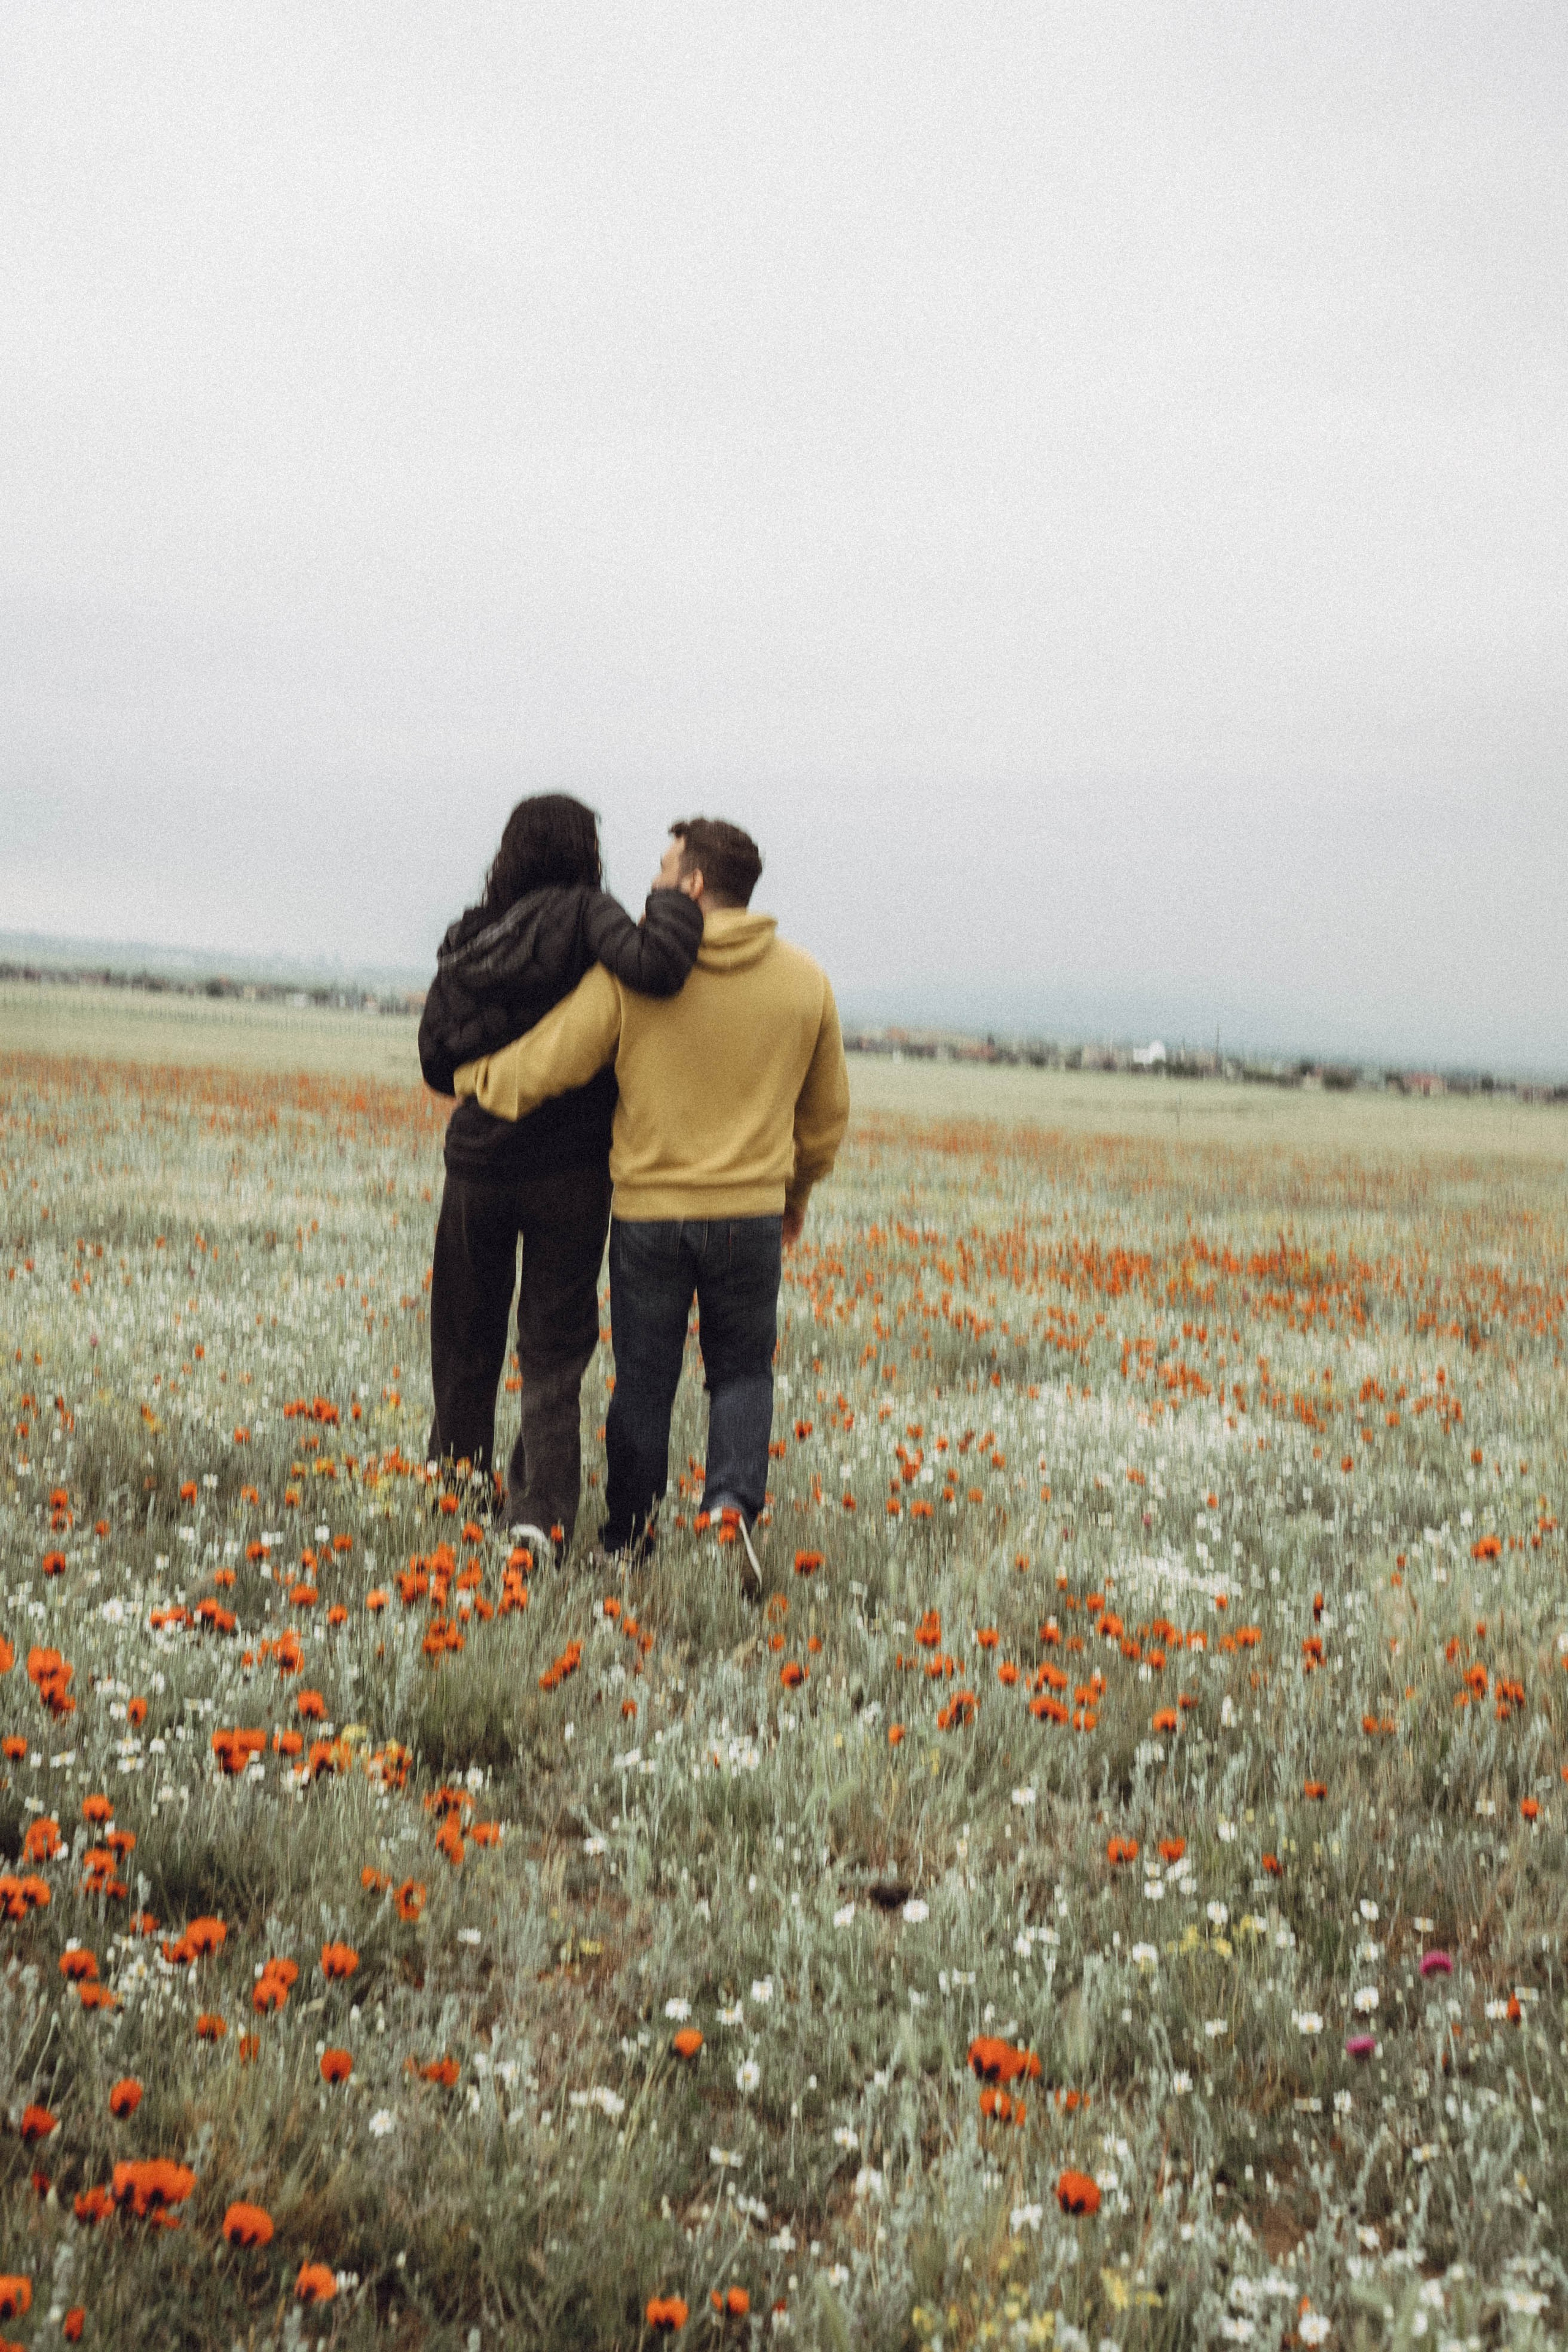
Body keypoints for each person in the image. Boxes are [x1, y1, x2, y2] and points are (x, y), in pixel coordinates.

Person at [451, 815, 850, 1593]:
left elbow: (548, 1063)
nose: (656, 881)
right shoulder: (806, 982)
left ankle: (628, 1536)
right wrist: (794, 1193)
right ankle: (731, 1500)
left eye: (667, 868)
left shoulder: (633, 975)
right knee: (740, 1372)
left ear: (696, 882)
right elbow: (826, 1115)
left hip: (650, 1219)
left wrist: (471, 1077)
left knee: (644, 1379)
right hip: (750, 1217)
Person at [418, 793, 702, 1553]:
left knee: (464, 1332)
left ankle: (456, 1487)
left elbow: (434, 1062)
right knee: (554, 1346)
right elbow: (652, 968)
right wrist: (673, 905)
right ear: (585, 854)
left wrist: (488, 1060)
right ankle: (539, 1515)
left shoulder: (470, 936)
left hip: (478, 1162)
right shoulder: (589, 915)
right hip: (572, 1172)